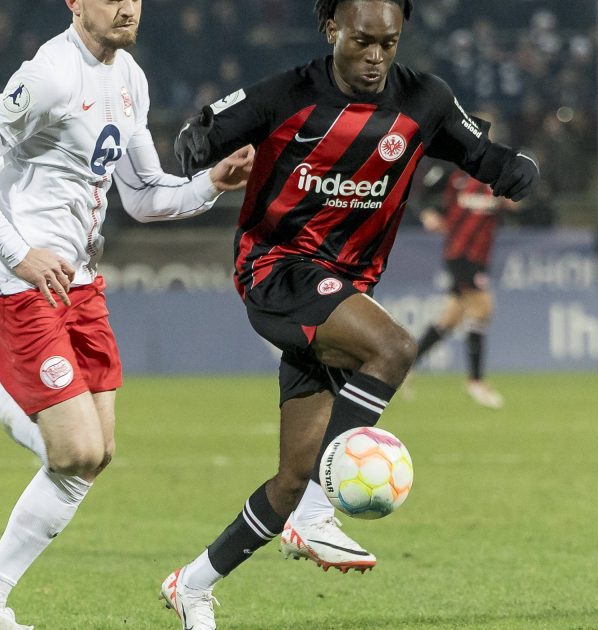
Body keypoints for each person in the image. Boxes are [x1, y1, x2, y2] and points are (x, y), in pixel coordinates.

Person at [159, 1, 538, 627]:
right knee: (393, 347)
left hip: (339, 287)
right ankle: (315, 514)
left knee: (293, 473)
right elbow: (198, 134)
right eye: (362, 40)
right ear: (331, 29)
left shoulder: (424, 100)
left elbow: (480, 155)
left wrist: (514, 172)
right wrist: (201, 146)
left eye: (388, 43)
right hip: (276, 270)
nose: (376, 56)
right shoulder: (287, 95)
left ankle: (192, 584)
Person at [0, 1, 254, 628]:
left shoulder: (131, 78)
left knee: (97, 453)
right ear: (74, 2)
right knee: (75, 451)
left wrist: (211, 184)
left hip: (81, 284)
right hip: (20, 285)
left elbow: (144, 198)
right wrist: (17, 251)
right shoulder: (50, 75)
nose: (126, 6)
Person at [411, 164, 518, 409]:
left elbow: (516, 204)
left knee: (450, 317)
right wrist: (427, 213)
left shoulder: (496, 177)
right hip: (459, 254)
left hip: (480, 258)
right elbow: (418, 193)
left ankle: (405, 365)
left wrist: (512, 199)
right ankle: (476, 381)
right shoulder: (453, 174)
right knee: (483, 307)